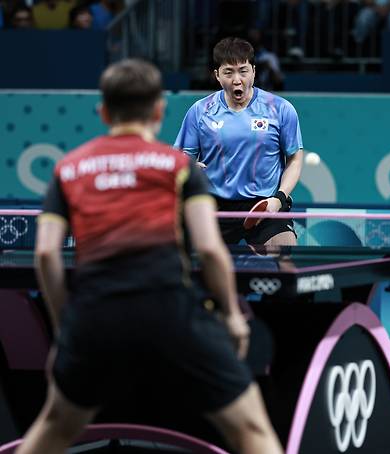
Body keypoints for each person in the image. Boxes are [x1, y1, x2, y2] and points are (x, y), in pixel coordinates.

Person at [16, 59, 283, 454]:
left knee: (53, 428)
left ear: (103, 112)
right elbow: (210, 249)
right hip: (173, 314)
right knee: (251, 431)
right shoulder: (177, 167)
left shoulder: (68, 169)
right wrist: (230, 315)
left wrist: (65, 327)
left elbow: (45, 255)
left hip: (95, 319)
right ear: (159, 111)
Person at [174, 37, 303, 247]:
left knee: (285, 258)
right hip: (213, 204)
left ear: (253, 71)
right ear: (217, 75)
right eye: (228, 72)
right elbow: (181, 158)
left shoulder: (280, 109)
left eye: (243, 71)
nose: (237, 79)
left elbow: (295, 160)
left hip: (264, 203)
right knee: (186, 262)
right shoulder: (200, 111)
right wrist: (187, 166)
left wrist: (279, 198)